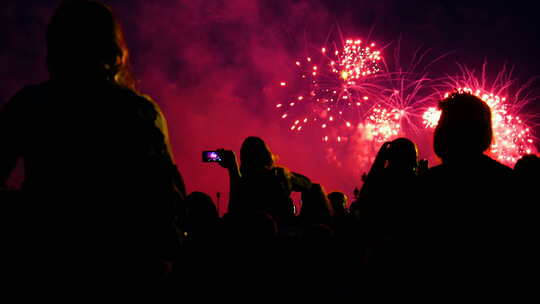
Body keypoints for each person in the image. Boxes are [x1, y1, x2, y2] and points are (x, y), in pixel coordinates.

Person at [0, 0, 185, 287]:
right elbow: (166, 194)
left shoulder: (30, 104)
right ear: (113, 47)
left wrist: (29, 214)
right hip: (124, 264)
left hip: (46, 262)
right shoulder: (139, 111)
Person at [217, 136, 311, 224]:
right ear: (267, 155)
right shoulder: (279, 176)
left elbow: (234, 213)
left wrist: (233, 169)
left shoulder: (245, 183)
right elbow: (307, 184)